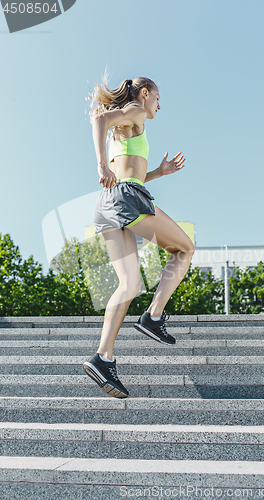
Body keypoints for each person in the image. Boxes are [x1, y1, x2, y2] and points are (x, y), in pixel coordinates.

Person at [83, 76, 195, 398]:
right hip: (127, 198)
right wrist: (101, 165)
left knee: (130, 284)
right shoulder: (137, 111)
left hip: (107, 204)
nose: (159, 106)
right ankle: (153, 316)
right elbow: (99, 118)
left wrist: (159, 172)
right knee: (184, 249)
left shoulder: (131, 124)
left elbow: (131, 171)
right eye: (157, 98)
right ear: (145, 94)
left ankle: (103, 357)